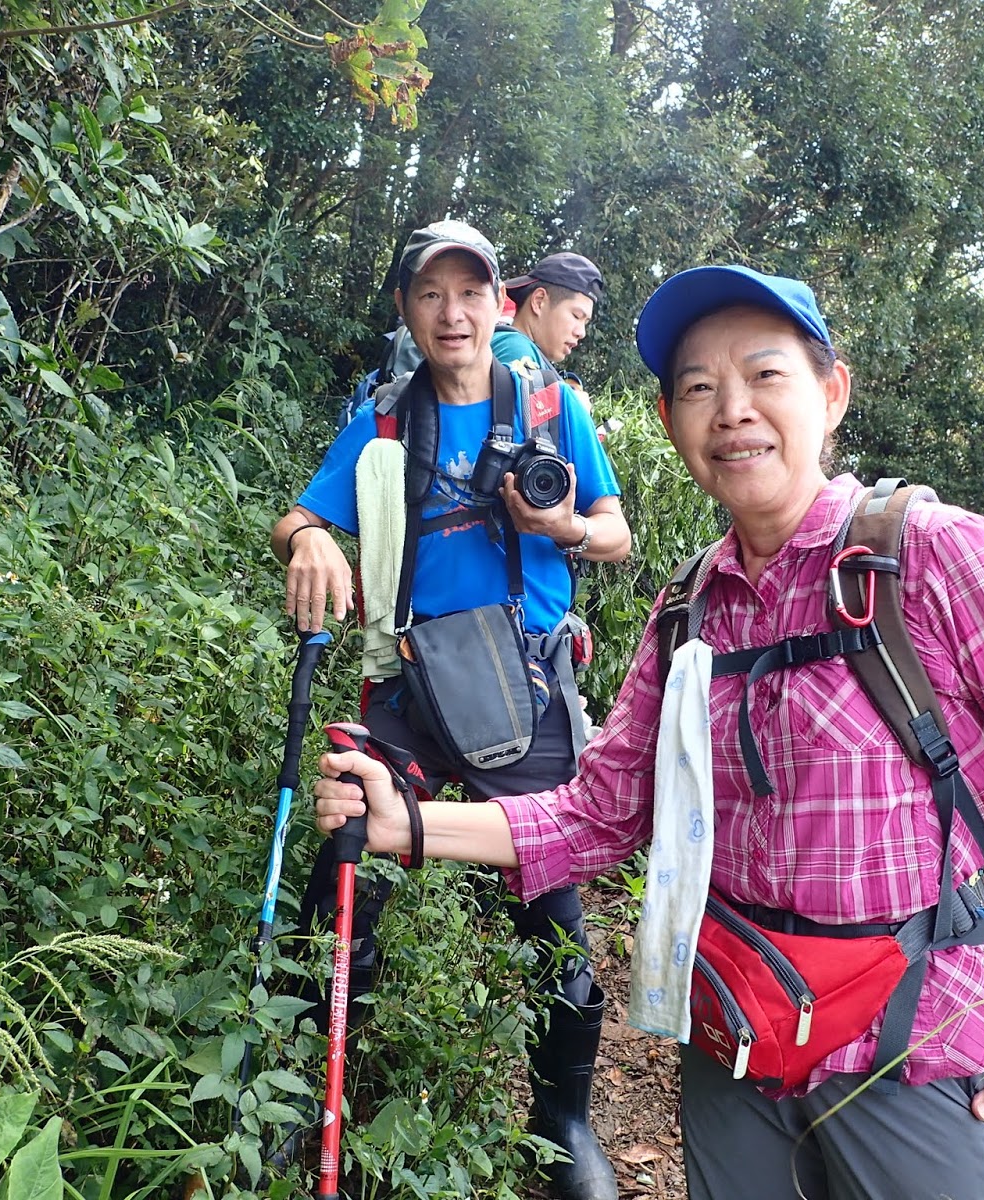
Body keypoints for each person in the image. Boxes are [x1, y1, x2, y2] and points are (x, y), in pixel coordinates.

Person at [312, 264, 984, 1200]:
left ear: (832, 392)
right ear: (671, 423)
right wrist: (404, 824)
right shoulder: (690, 608)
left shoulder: (932, 555)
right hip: (739, 1041)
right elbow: (599, 813)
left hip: (925, 1049)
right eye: (700, 387)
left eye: (766, 375)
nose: (733, 409)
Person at [270, 220, 633, 1200]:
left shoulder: (555, 407)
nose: (452, 312)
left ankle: (562, 1121)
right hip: (412, 681)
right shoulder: (385, 419)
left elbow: (616, 533)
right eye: (430, 294)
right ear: (407, 310)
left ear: (498, 304)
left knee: (552, 908)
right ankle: (305, 1090)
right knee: (345, 870)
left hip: (525, 681)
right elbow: (298, 513)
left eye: (470, 292)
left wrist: (559, 523)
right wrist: (310, 539)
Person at [493, 251, 605, 374]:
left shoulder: (521, 349)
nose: (581, 333)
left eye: (585, 322)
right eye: (576, 316)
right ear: (539, 301)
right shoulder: (515, 348)